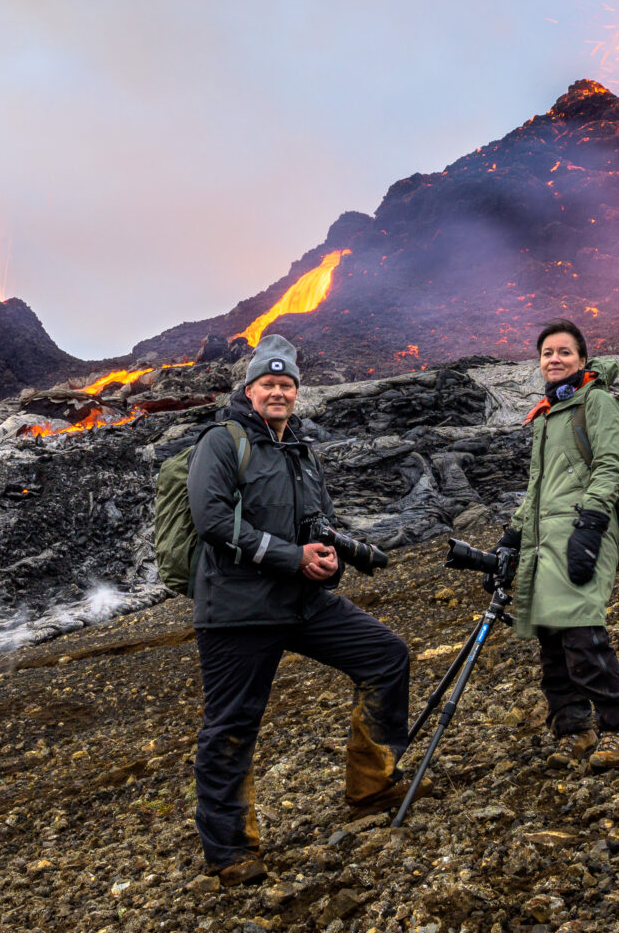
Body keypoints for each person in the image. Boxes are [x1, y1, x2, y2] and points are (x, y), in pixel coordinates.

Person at [187, 333, 423, 886]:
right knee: (231, 724)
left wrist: (327, 560)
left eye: (287, 384)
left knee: (386, 656)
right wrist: (294, 558)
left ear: (297, 392)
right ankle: (230, 852)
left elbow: (319, 523)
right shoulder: (222, 442)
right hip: (238, 610)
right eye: (269, 383)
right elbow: (213, 521)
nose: (278, 392)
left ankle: (371, 787)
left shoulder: (301, 449)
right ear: (249, 389)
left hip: (301, 601)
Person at [497, 319, 619, 770]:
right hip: (544, 544)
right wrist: (512, 537)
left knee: (581, 635)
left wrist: (593, 524)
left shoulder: (596, 403)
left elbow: (610, 464)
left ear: (582, 358)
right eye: (547, 353)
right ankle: (574, 730)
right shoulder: (546, 414)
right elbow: (538, 487)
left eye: (564, 352)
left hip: (581, 534)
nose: (554, 360)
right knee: (552, 643)